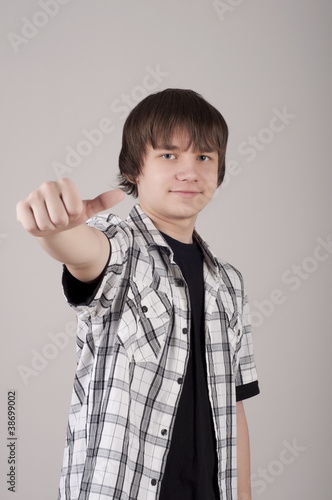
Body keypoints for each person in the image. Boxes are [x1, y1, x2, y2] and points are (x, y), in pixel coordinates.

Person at [17, 88, 260, 500]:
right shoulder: (121, 246)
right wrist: (56, 231)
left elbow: (234, 405)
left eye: (204, 157)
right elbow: (85, 253)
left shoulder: (229, 283)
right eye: (169, 155)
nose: (189, 171)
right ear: (134, 169)